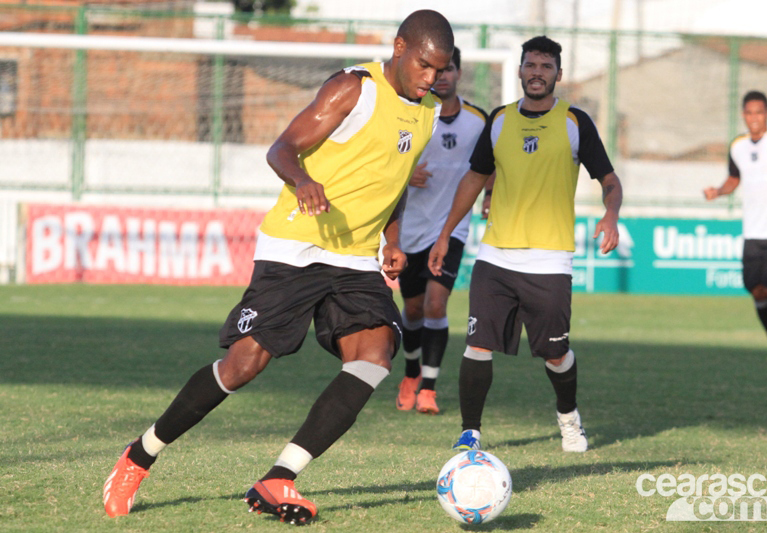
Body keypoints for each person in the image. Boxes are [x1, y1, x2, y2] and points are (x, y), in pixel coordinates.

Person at [102, 10, 453, 525]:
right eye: (424, 66)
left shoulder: (427, 111)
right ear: (400, 47)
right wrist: (302, 181)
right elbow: (282, 147)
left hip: (353, 258)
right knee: (243, 365)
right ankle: (140, 455)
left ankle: (279, 477)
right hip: (296, 246)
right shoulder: (353, 89)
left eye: (439, 71)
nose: (430, 79)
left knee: (376, 352)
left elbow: (393, 179)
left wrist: (391, 237)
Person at [429, 35, 622, 454]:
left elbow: (609, 179)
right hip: (496, 255)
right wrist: (445, 234)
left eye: (546, 67)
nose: (537, 73)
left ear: (558, 74)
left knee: (555, 355)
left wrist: (610, 214)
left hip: (550, 261)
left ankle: (569, 418)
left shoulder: (575, 122)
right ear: (519, 70)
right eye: (530, 65)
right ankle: (470, 432)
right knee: (478, 345)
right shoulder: (498, 120)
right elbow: (475, 178)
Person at [395, 46, 488, 415]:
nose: (443, 75)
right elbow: (386, 159)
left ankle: (429, 388)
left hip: (451, 228)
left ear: (459, 74)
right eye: (438, 69)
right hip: (410, 228)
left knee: (436, 303)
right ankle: (411, 372)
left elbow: (490, 161)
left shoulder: (478, 121)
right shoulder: (414, 115)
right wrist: (404, 174)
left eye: (449, 68)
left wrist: (491, 193)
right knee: (414, 309)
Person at [703, 90, 767, 362]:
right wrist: (718, 191)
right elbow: (734, 179)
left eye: (759, 112)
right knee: (755, 289)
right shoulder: (738, 146)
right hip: (753, 231)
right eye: (749, 113)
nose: (754, 118)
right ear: (744, 115)